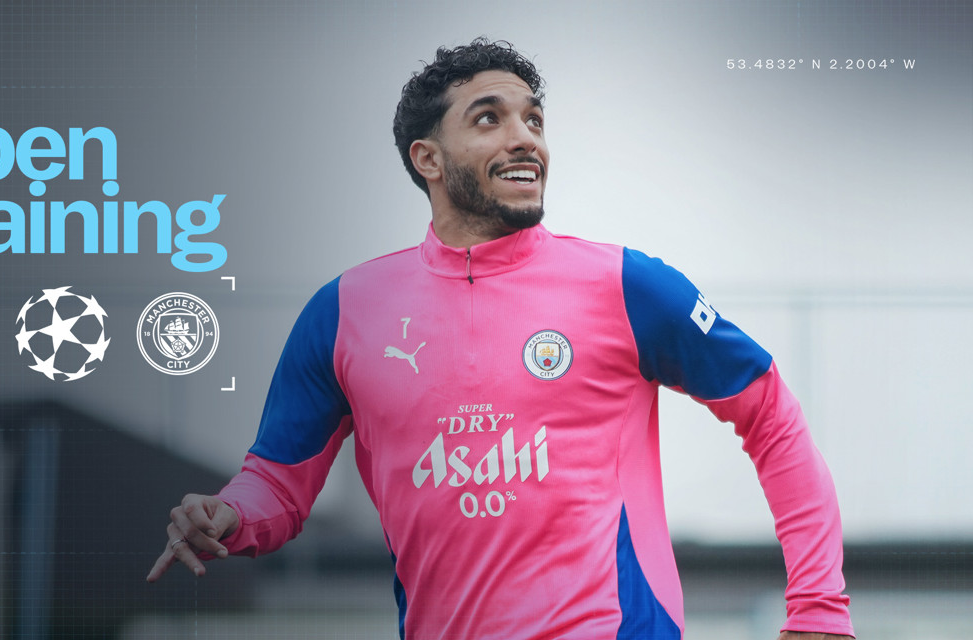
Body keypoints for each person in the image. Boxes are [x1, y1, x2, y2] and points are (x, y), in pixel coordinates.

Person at [147, 38, 854, 640]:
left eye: (534, 119)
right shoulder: (342, 313)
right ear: (428, 159)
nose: (526, 139)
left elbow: (771, 415)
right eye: (490, 118)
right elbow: (278, 480)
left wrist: (819, 607)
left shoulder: (630, 285)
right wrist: (229, 514)